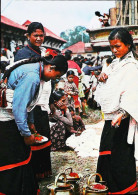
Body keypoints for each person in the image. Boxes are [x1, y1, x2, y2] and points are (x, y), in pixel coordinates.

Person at [0, 55, 68, 194]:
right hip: (6, 121)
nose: (54, 79)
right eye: (56, 76)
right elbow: (19, 107)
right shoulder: (32, 76)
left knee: (23, 156)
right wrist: (26, 134)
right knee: (15, 159)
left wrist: (30, 123)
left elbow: (29, 102)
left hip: (13, 118)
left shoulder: (37, 70)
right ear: (52, 67)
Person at [94, 28, 138, 194]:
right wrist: (102, 78)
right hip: (110, 117)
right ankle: (106, 184)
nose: (114, 50)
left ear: (128, 45)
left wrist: (122, 113)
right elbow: (108, 89)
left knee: (120, 154)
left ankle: (123, 187)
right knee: (107, 150)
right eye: (111, 47)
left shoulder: (132, 67)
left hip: (123, 117)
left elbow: (133, 93)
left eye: (117, 46)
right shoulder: (113, 64)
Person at [14, 22, 55, 180]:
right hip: (28, 102)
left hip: (42, 101)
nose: (39, 38)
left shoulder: (43, 52)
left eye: (41, 35)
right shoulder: (22, 53)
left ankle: (44, 171)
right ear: (28, 36)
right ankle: (32, 173)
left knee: (44, 135)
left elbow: (48, 79)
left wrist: (50, 101)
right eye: (35, 35)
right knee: (32, 136)